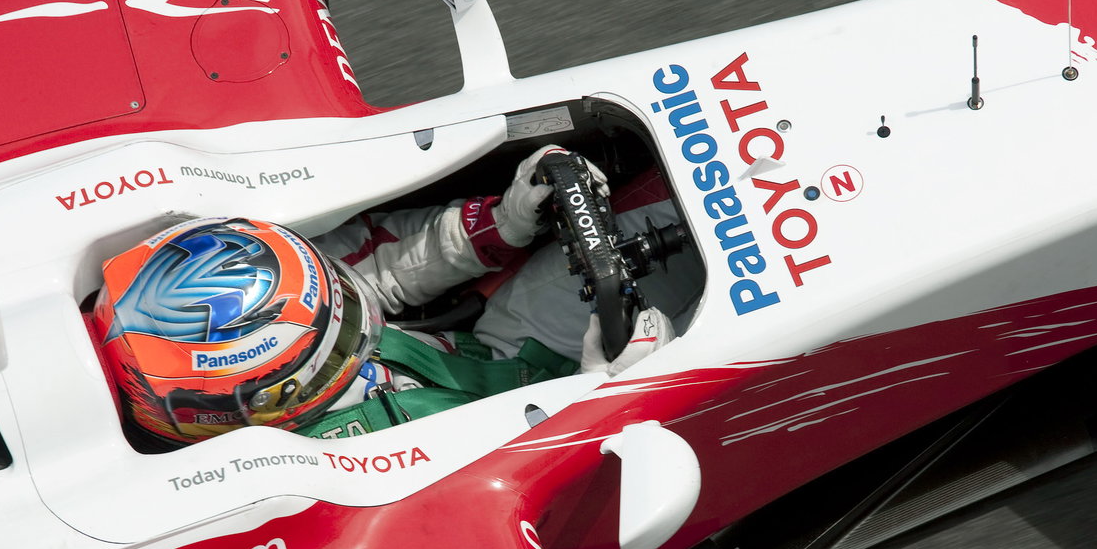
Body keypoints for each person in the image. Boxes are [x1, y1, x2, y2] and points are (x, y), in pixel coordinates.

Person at [89, 145, 700, 445]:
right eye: (329, 352)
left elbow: (375, 269)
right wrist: (601, 395)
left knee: (691, 219)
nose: (359, 328)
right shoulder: (316, 476)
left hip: (497, 353)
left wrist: (507, 219)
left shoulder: (289, 304)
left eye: (337, 303)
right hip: (547, 431)